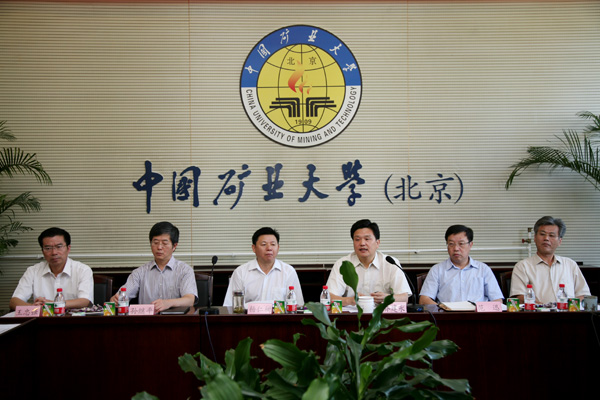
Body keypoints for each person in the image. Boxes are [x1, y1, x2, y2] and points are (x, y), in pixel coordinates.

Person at [111, 221, 197, 312]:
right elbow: (123, 295)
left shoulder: (185, 270)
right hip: (146, 320)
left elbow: (190, 300)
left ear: (174, 246)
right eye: (155, 242)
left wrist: (168, 303)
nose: (159, 247)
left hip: (175, 319)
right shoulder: (139, 272)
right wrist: (116, 299)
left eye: (164, 243)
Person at [326, 219, 411, 306]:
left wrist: (387, 298)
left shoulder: (390, 263)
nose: (362, 243)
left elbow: (404, 298)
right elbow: (329, 298)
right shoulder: (343, 264)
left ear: (377, 243)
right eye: (357, 239)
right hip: (352, 313)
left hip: (381, 313)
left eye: (367, 239)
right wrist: (351, 300)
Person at [510, 216, 591, 304]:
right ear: (535, 238)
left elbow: (583, 294)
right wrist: (544, 308)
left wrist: (570, 307)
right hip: (537, 312)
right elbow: (519, 296)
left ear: (560, 241)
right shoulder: (522, 266)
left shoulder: (570, 264)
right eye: (542, 234)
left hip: (568, 311)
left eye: (551, 235)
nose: (546, 238)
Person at [10, 227, 93, 310]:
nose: (54, 252)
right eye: (48, 248)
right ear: (42, 251)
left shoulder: (82, 270)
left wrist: (52, 305)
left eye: (59, 246)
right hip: (43, 317)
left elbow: (85, 301)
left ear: (68, 248)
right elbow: (14, 301)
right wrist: (34, 308)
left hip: (72, 317)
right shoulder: (33, 271)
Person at [419, 225, 503, 305]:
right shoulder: (437, 270)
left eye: (461, 244)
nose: (456, 248)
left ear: (470, 245)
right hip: (446, 314)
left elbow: (497, 300)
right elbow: (424, 299)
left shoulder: (483, 269)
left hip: (477, 314)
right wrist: (442, 309)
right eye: (451, 244)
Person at [223, 227, 304, 307]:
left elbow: (298, 305)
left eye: (273, 244)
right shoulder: (240, 272)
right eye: (264, 244)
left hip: (279, 316)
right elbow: (230, 306)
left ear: (278, 248)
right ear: (254, 248)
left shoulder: (288, 271)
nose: (269, 248)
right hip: (249, 316)